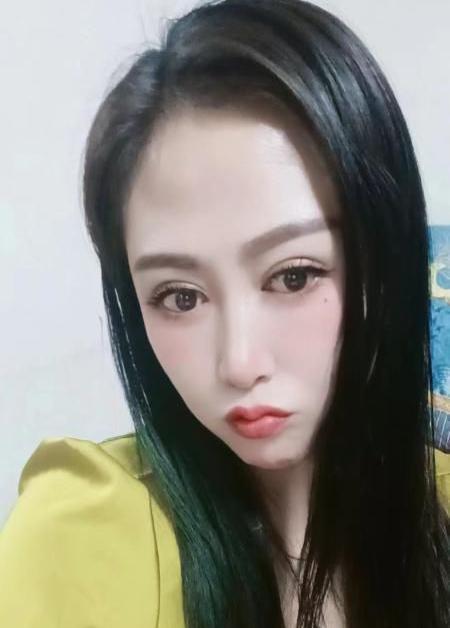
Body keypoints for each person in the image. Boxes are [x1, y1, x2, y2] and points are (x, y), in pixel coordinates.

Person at [1, 1, 449, 626]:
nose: (238, 363)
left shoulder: (438, 506)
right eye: (180, 297)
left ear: (382, 262)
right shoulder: (81, 533)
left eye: (293, 276)